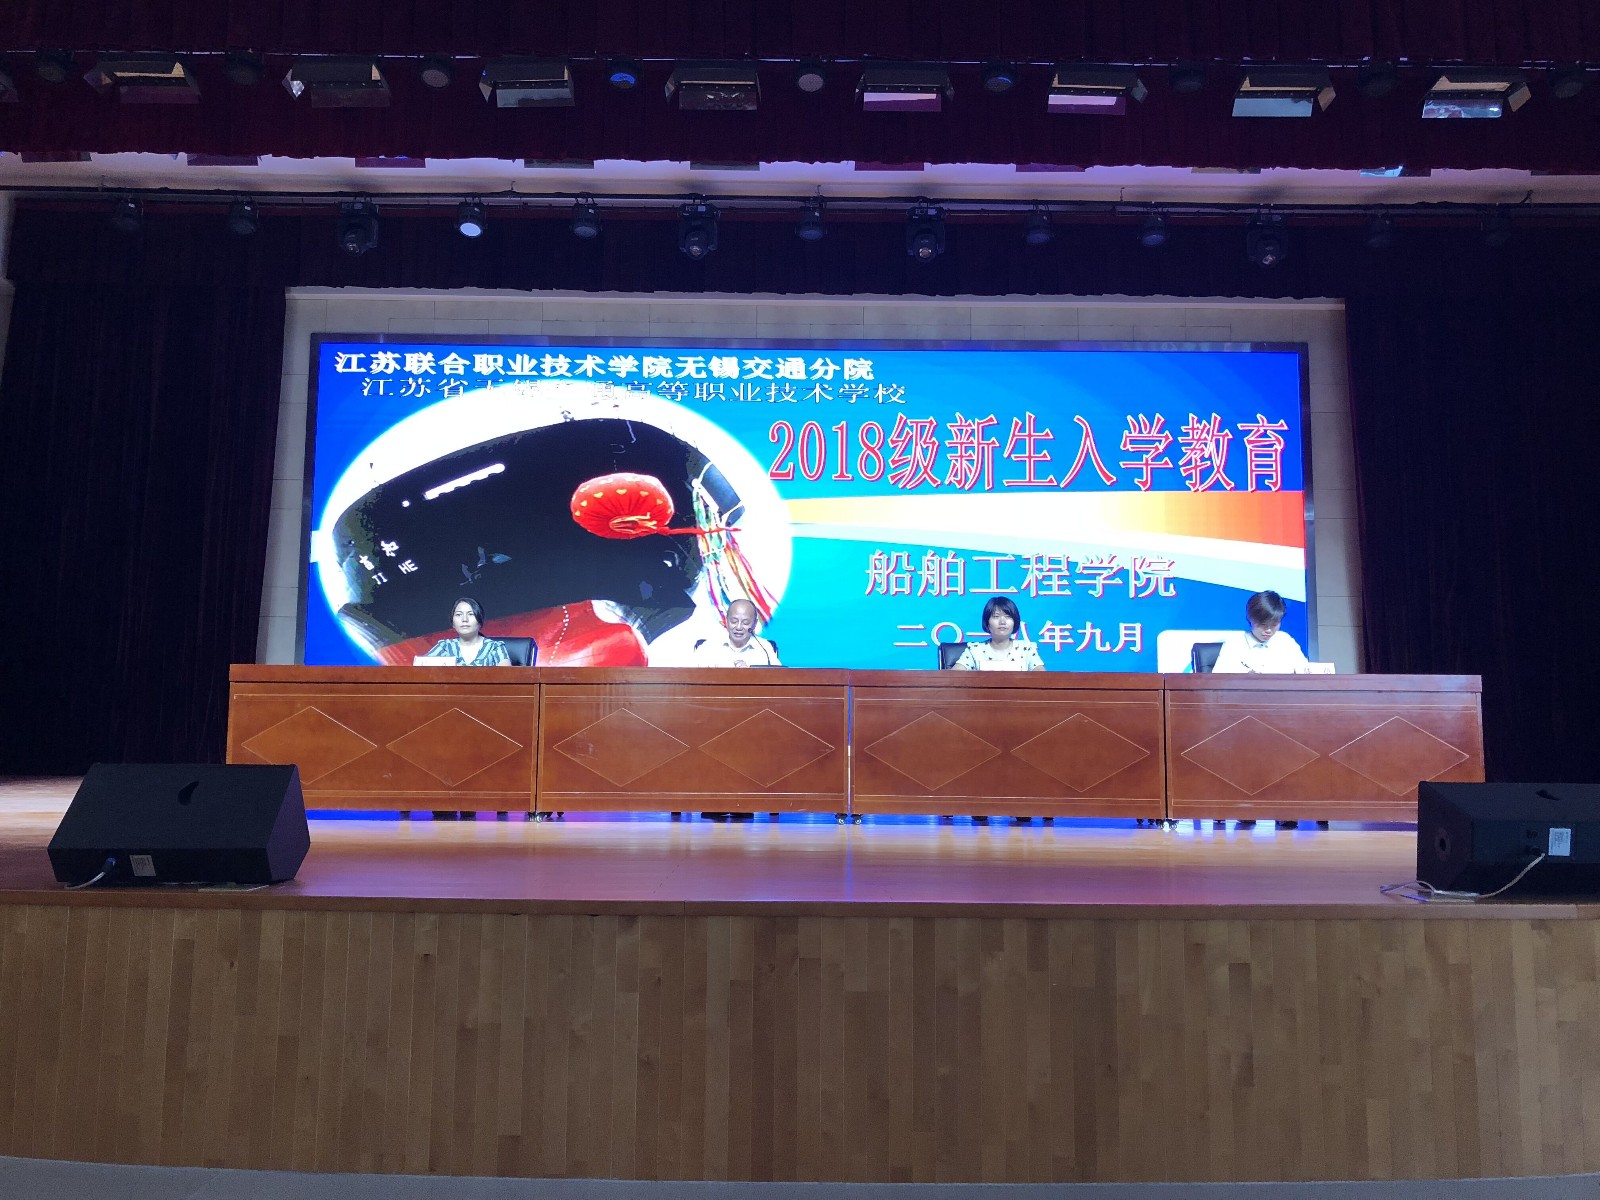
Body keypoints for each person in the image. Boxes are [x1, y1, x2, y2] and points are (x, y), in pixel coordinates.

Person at [1212, 590, 1309, 674]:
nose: (1268, 630)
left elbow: (1306, 674)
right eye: (1263, 624)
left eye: (1274, 625)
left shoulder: (1286, 641)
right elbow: (1217, 681)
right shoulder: (1235, 644)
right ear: (1250, 618)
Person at [951, 596, 1046, 672]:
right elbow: (954, 676)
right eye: (996, 616)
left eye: (1008, 617)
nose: (1002, 622)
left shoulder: (1026, 649)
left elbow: (1042, 677)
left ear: (1014, 621)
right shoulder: (975, 650)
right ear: (987, 622)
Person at [691, 598, 781, 668]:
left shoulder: (765, 648)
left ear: (754, 624)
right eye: (734, 621)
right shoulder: (707, 647)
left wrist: (751, 674)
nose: (738, 627)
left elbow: (778, 679)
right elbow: (689, 677)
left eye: (745, 622)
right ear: (726, 621)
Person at [423, 597, 512, 666]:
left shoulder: (494, 647)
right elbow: (421, 665)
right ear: (453, 623)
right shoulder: (445, 646)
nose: (464, 619)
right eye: (459, 614)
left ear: (480, 620)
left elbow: (507, 675)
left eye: (471, 614)